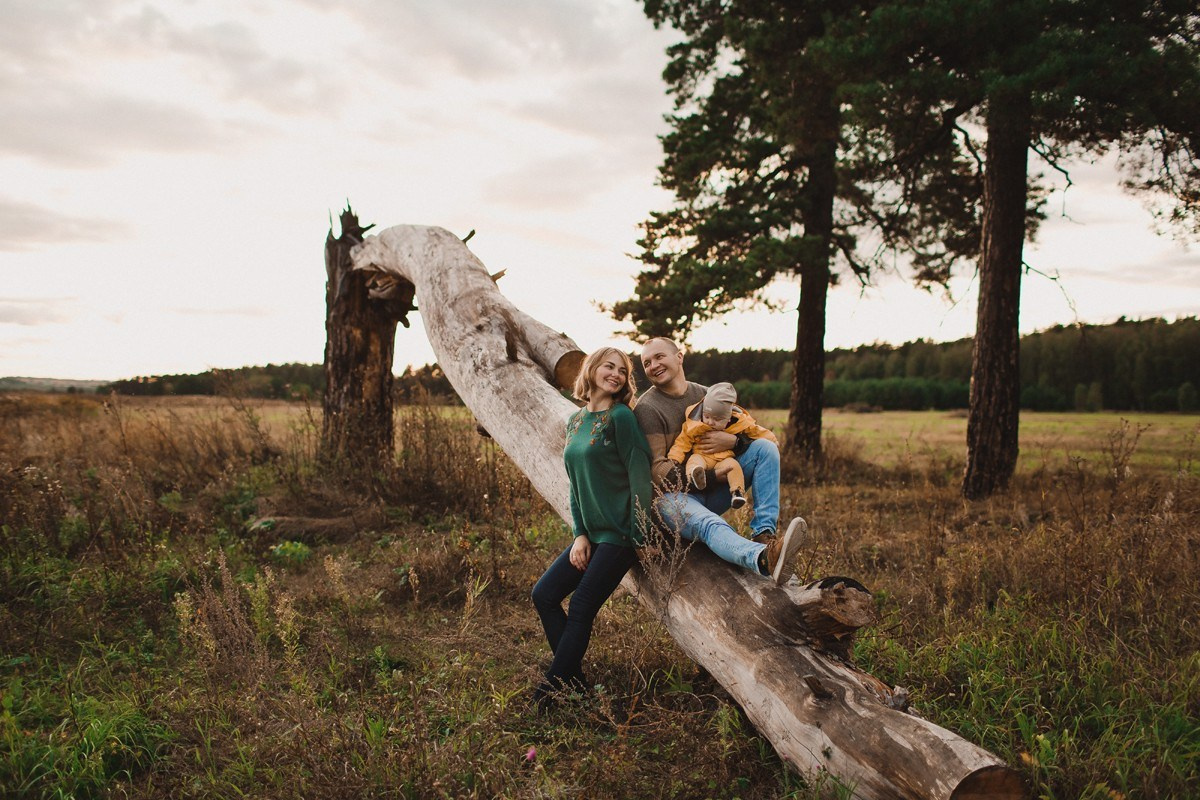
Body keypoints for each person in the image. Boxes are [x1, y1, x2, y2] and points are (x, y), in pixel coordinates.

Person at [530, 346, 652, 708]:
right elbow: (575, 484)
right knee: (544, 595)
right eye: (609, 367)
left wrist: (640, 534)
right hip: (591, 534)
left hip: (620, 534)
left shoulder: (621, 418)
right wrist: (579, 534)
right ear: (593, 369)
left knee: (582, 605)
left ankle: (549, 690)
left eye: (622, 371)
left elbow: (640, 476)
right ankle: (576, 683)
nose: (615, 374)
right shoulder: (576, 421)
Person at [635, 337, 804, 584]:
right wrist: (712, 476)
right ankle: (762, 558)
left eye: (659, 357)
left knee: (765, 449)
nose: (653, 365)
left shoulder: (706, 394)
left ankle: (764, 536)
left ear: (679, 357)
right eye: (646, 362)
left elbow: (747, 428)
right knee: (709, 522)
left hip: (711, 490)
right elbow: (658, 471)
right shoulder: (648, 408)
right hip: (670, 501)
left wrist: (735, 444)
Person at [667, 381, 778, 511]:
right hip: (701, 456)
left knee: (734, 467)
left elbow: (756, 431)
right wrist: (674, 458)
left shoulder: (738, 423)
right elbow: (682, 442)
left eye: (717, 419)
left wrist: (772, 440)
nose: (710, 422)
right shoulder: (694, 425)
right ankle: (696, 476)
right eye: (707, 416)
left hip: (724, 459)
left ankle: (737, 493)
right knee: (694, 462)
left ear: (728, 418)